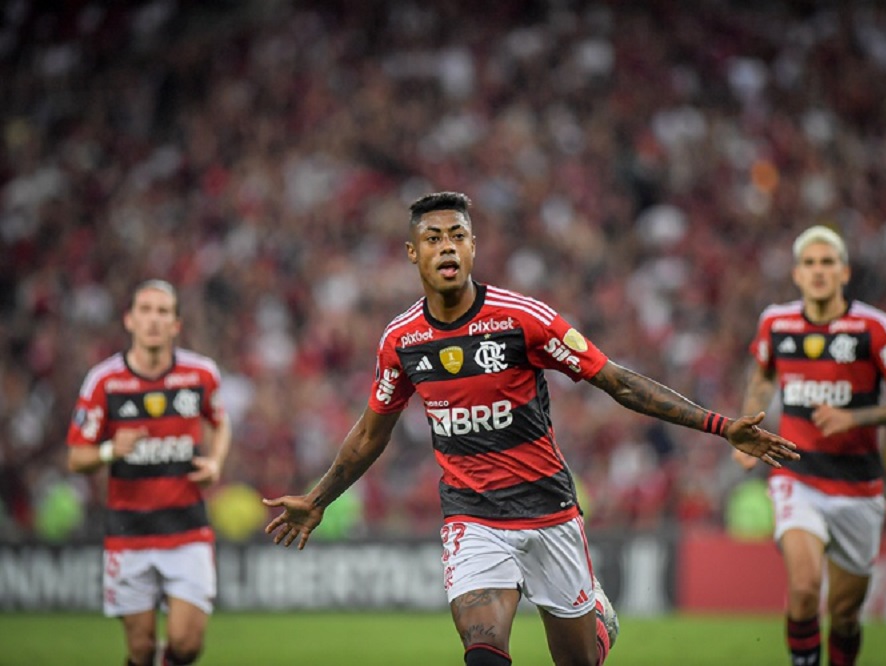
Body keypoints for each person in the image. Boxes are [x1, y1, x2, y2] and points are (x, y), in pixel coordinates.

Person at [264, 192, 798, 666]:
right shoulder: (401, 340)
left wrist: (720, 425)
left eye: (457, 236)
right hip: (472, 517)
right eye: (433, 238)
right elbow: (369, 435)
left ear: (473, 247)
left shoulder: (522, 319)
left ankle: (596, 625)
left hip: (549, 512)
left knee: (578, 659)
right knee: (483, 649)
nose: (447, 247)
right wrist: (318, 500)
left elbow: (617, 382)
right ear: (412, 253)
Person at [733, 225, 886, 666]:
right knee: (804, 590)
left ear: (844, 272)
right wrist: (750, 427)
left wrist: (855, 417)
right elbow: (763, 375)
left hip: (859, 488)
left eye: (827, 262)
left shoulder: (876, 329)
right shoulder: (776, 323)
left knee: (844, 614)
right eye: (809, 263)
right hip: (797, 475)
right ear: (797, 274)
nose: (818, 271)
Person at [66, 279, 231, 666]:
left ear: (176, 324)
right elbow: (76, 457)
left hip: (187, 530)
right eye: (145, 310)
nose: (153, 320)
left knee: (186, 644)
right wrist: (110, 450)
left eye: (163, 312)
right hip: (129, 534)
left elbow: (220, 421)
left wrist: (215, 462)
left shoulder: (200, 374)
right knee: (140, 650)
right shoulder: (104, 381)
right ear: (129, 320)